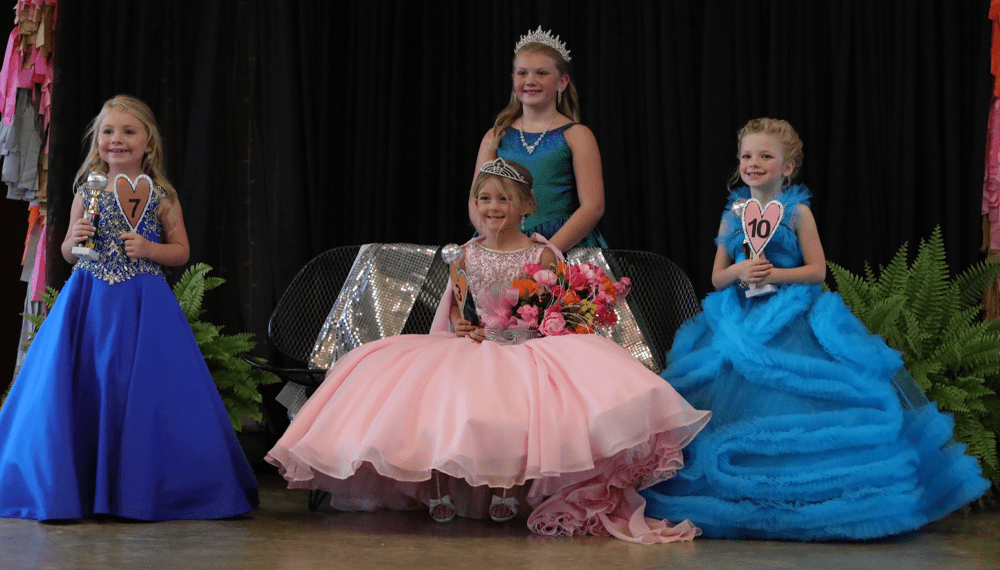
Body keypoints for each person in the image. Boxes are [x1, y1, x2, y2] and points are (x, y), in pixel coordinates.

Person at [266, 157, 710, 543]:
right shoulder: (463, 255)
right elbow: (460, 311)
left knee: (517, 405)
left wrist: (534, 325)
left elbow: (553, 307)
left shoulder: (545, 256)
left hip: (526, 345)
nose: (493, 208)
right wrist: (463, 325)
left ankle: (505, 491)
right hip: (475, 344)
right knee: (438, 398)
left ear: (526, 206)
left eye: (503, 200)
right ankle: (436, 485)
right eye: (484, 200)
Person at [638, 118, 990, 540]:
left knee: (793, 396)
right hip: (737, 319)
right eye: (747, 156)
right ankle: (739, 500)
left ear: (787, 167)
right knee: (725, 393)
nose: (754, 163)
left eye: (765, 156)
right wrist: (739, 269)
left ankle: (809, 501)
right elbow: (716, 278)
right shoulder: (732, 215)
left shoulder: (797, 212)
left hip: (793, 318)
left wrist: (774, 275)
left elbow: (817, 270)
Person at [0, 95, 259, 521]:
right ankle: (74, 487)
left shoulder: (162, 196)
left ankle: (142, 489)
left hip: (144, 305)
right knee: (89, 382)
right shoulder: (88, 192)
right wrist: (75, 239)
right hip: (91, 304)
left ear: (148, 143)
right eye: (108, 132)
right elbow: (67, 252)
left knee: (142, 389)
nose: (116, 140)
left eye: (128, 132)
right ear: (97, 140)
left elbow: (181, 252)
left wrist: (149, 248)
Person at [470, 27, 606, 251]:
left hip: (562, 245)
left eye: (541, 73)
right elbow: (476, 201)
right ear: (513, 79)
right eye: (522, 73)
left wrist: (548, 252)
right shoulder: (496, 135)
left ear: (562, 82)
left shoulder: (577, 135)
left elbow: (593, 206)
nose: (530, 80)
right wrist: (496, 241)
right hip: (502, 241)